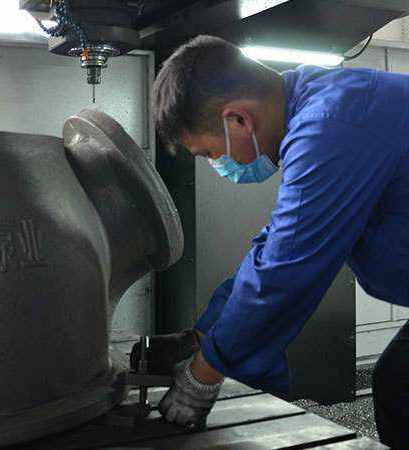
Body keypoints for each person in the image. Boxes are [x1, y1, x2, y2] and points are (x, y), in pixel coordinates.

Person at [139, 35, 409, 448]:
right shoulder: (322, 110)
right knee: (400, 385)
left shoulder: (332, 125)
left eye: (210, 153)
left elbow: (285, 271)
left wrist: (201, 377)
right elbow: (275, 248)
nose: (218, 164)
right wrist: (205, 336)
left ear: (238, 120)